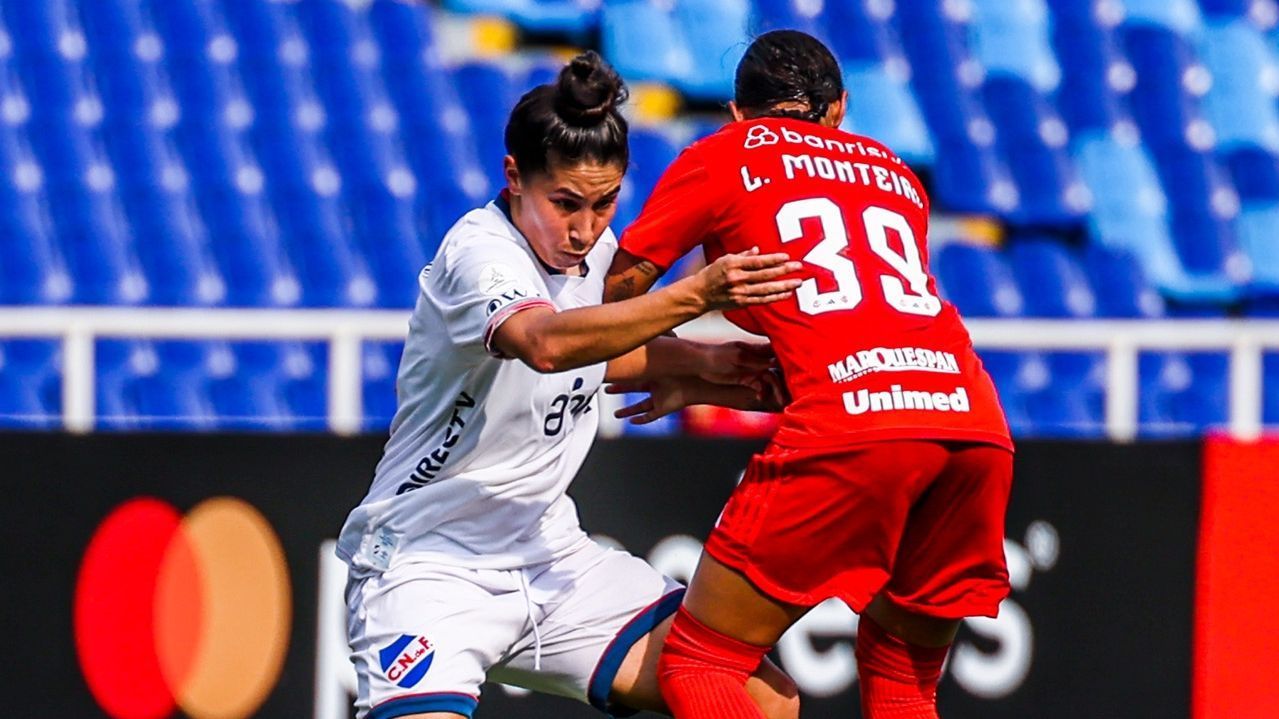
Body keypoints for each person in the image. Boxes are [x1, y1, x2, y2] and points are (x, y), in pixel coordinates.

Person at [336, 51, 803, 719]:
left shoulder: (595, 252)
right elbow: (546, 345)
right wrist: (695, 296)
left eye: (604, 203)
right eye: (564, 203)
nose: (584, 229)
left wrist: (702, 369)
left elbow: (597, 351)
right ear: (514, 177)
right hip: (428, 565)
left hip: (553, 558)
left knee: (762, 699)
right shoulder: (479, 254)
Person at [605, 30, 1015, 719]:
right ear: (840, 108)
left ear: (738, 112)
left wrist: (682, 362)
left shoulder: (724, 153)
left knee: (701, 659)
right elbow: (864, 317)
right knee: (903, 679)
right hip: (974, 425)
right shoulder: (897, 174)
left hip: (855, 428)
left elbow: (614, 296)